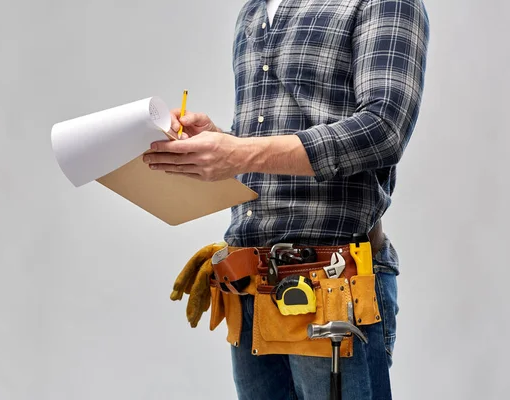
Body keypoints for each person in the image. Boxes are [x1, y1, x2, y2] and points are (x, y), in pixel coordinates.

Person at [145, 0, 429, 398]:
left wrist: (239, 153)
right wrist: (223, 142)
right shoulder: (253, 12)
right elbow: (272, 148)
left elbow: (383, 129)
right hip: (249, 287)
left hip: (334, 285)